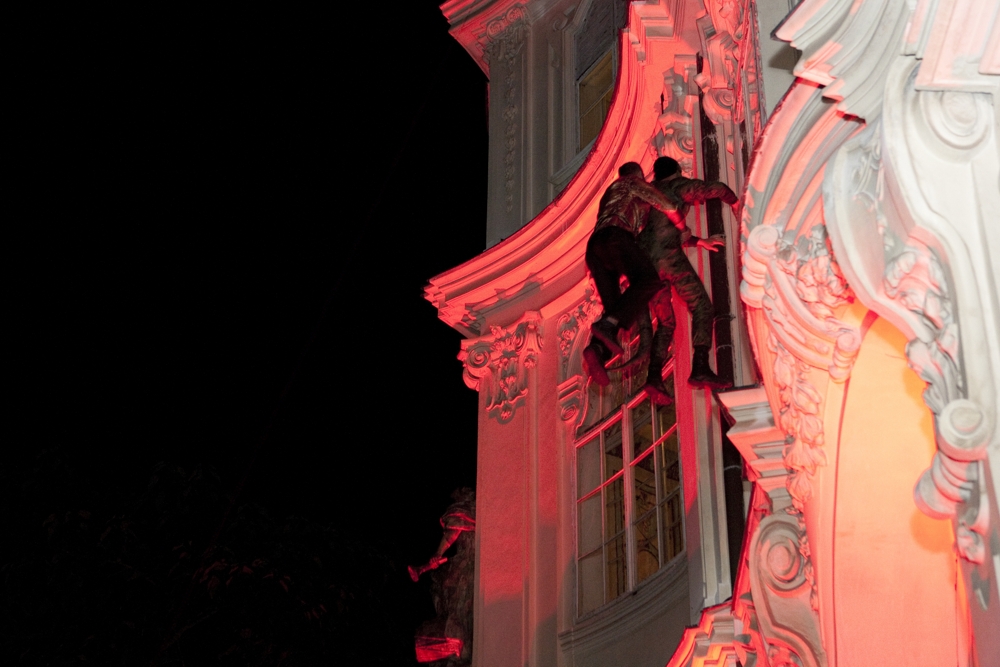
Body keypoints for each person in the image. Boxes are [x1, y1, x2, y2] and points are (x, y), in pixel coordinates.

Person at [636, 156, 739, 403]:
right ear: (676, 171)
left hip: (645, 264)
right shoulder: (676, 186)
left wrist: (699, 241)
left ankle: (653, 375)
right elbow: (715, 188)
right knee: (702, 306)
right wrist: (735, 203)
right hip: (668, 258)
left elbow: (659, 229)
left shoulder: (648, 195)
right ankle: (700, 364)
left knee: (666, 323)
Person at [583, 162, 686, 387]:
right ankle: (605, 328)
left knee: (616, 311)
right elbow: (663, 202)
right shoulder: (632, 183)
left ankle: (596, 350)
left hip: (595, 250)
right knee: (649, 280)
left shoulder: (609, 195)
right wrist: (681, 225)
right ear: (637, 175)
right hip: (616, 238)